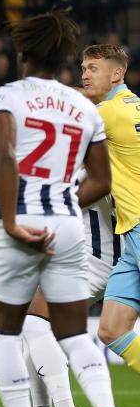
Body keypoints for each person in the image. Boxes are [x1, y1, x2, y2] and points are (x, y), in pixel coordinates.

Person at [0, 11, 132, 407]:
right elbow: (102, 179)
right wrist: (64, 197)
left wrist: (9, 220)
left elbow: (6, 156)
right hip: (69, 224)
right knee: (74, 333)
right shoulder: (85, 109)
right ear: (66, 57)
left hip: (25, 218)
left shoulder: (5, 96)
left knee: (10, 330)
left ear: (23, 51)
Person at [81, 44, 140, 375]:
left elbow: (69, 110)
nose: (85, 74)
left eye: (93, 68)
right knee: (112, 329)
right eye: (84, 68)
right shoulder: (131, 106)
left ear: (117, 73)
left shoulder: (109, 111)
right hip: (130, 233)